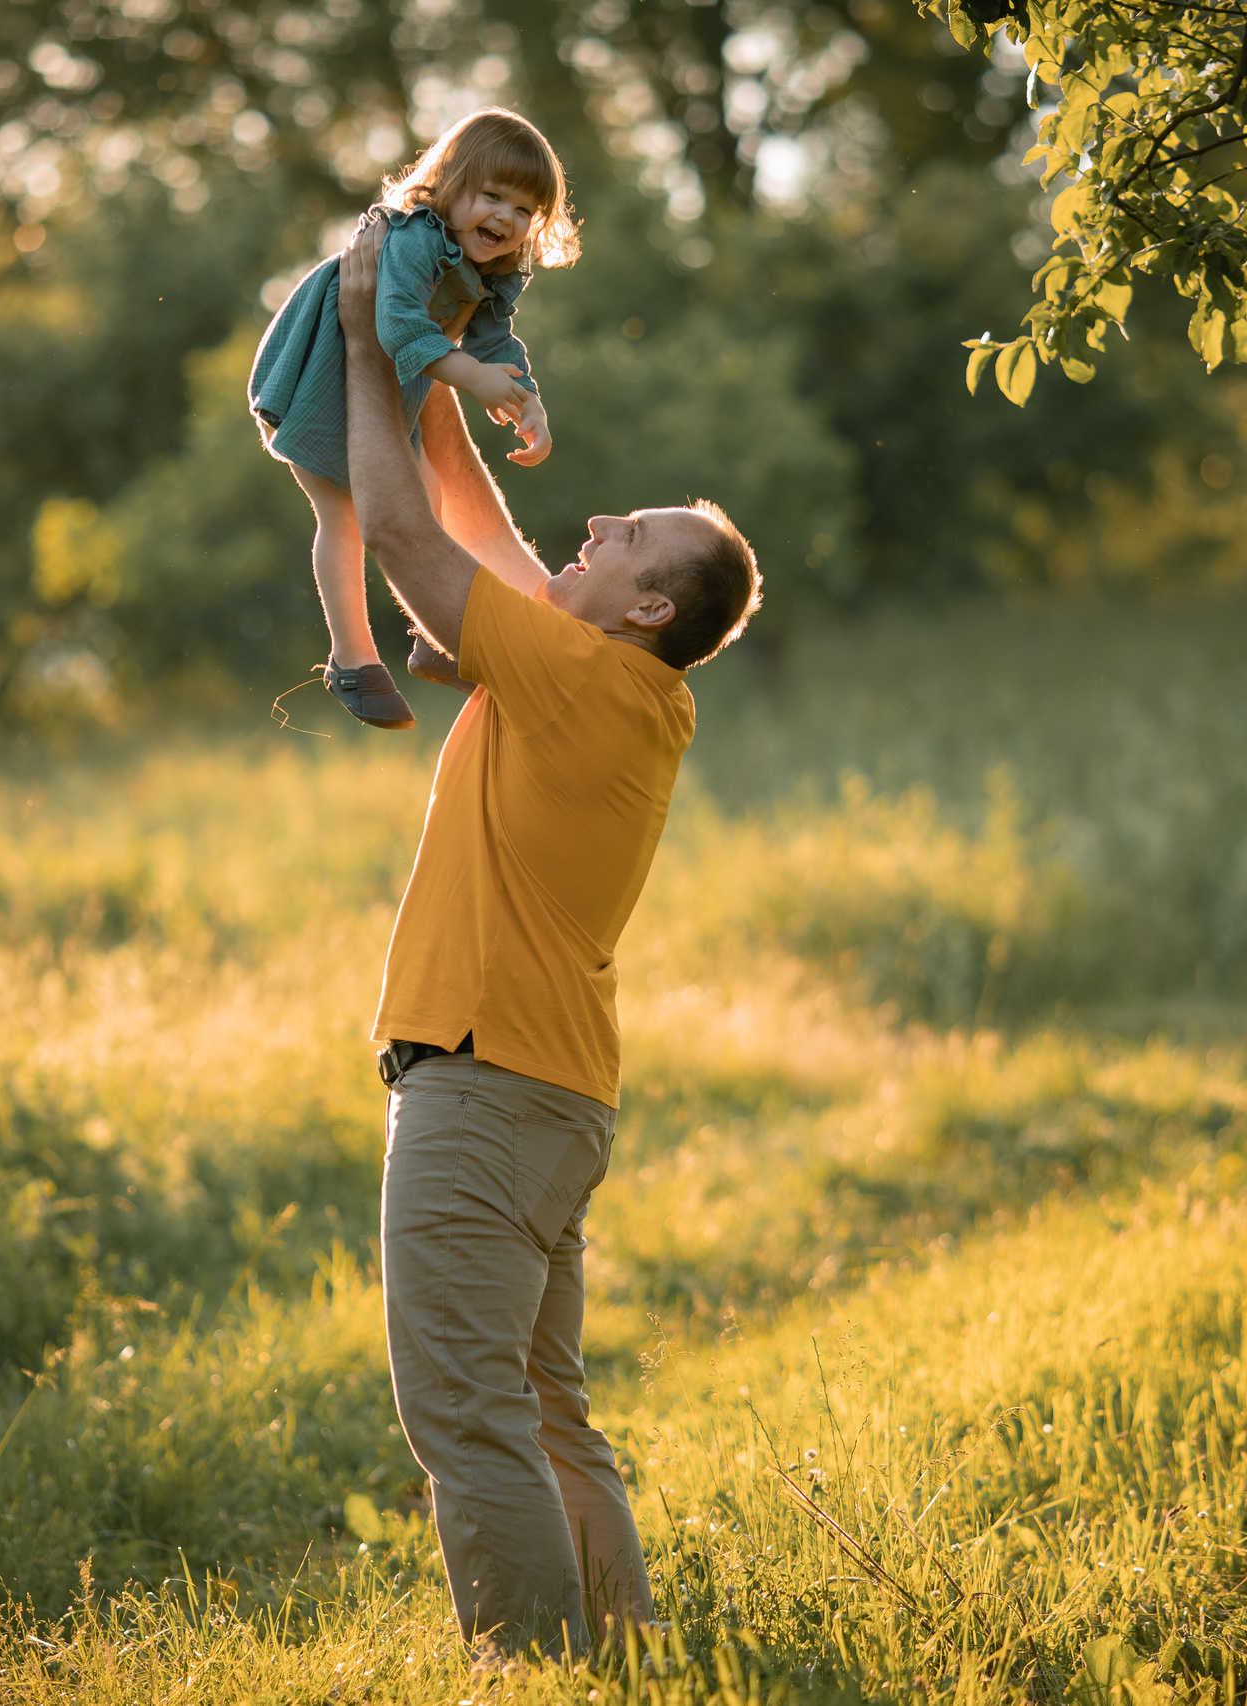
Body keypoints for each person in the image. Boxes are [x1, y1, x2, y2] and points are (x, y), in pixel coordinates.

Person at [331, 212, 763, 1659]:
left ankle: (533, 1671)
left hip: (488, 1084)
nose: (591, 527)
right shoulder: (610, 679)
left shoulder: (585, 680)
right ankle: (620, 1659)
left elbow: (404, 535)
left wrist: (358, 342)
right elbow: (473, 521)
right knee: (538, 1404)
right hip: (543, 1090)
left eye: (622, 536)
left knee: (465, 1410)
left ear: (646, 605)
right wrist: (436, 350)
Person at [248, 108, 578, 731]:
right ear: (450, 184)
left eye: (524, 209)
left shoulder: (492, 268)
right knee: (344, 516)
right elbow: (397, 325)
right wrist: (471, 377)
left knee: (426, 495)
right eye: (492, 196)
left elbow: (494, 342)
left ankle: (438, 634)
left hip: (384, 388)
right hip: (319, 378)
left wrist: (525, 398)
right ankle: (351, 659)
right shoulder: (415, 236)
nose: (506, 218)